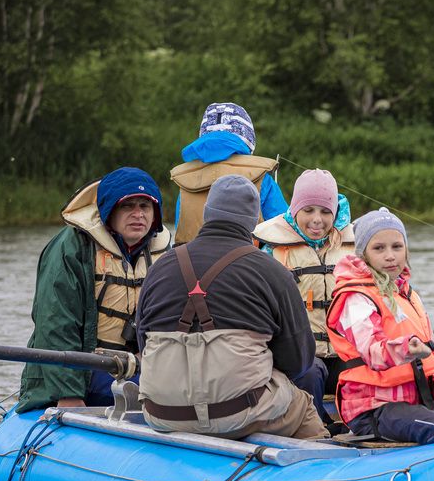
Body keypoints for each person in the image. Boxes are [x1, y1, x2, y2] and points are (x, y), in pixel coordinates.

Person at [135, 174, 326, 440]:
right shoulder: (272, 271)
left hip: (161, 412)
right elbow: (299, 361)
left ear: (207, 213)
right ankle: (322, 471)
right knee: (303, 405)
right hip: (239, 411)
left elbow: (143, 345)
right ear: (254, 221)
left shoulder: (159, 268)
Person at [17, 167, 171, 413]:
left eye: (145, 206)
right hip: (85, 370)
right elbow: (56, 324)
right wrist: (68, 395)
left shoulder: (164, 253)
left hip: (138, 369)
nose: (138, 214)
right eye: (127, 206)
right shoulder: (72, 248)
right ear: (109, 211)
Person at [326, 208, 434, 445]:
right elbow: (373, 352)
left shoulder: (408, 295)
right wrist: (407, 349)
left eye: (397, 247)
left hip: (411, 400)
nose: (390, 256)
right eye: (379, 248)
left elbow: (431, 358)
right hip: (373, 408)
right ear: (363, 255)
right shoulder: (356, 298)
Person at [253, 168, 355, 427]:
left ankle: (360, 423)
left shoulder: (354, 249)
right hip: (301, 356)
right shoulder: (272, 251)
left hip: (342, 352)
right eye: (308, 210)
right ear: (295, 209)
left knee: (361, 369)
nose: (317, 220)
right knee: (311, 372)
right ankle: (316, 426)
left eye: (325, 211)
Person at [170, 102, 288, 245]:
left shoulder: (186, 182)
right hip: (249, 265)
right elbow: (284, 232)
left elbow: (180, 228)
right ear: (248, 137)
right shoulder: (262, 179)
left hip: (192, 264)